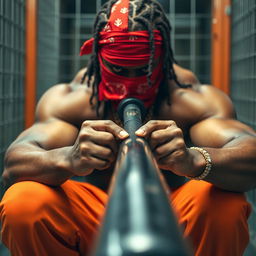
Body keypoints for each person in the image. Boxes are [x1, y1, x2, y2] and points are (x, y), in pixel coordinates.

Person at [1, 0, 256, 255]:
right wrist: (70, 157)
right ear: (98, 55)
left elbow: (250, 155)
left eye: (144, 69)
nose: (132, 81)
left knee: (225, 204)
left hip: (176, 220)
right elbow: (14, 165)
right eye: (119, 69)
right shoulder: (72, 101)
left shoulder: (191, 100)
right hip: (95, 221)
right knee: (24, 202)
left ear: (163, 55)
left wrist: (195, 159)